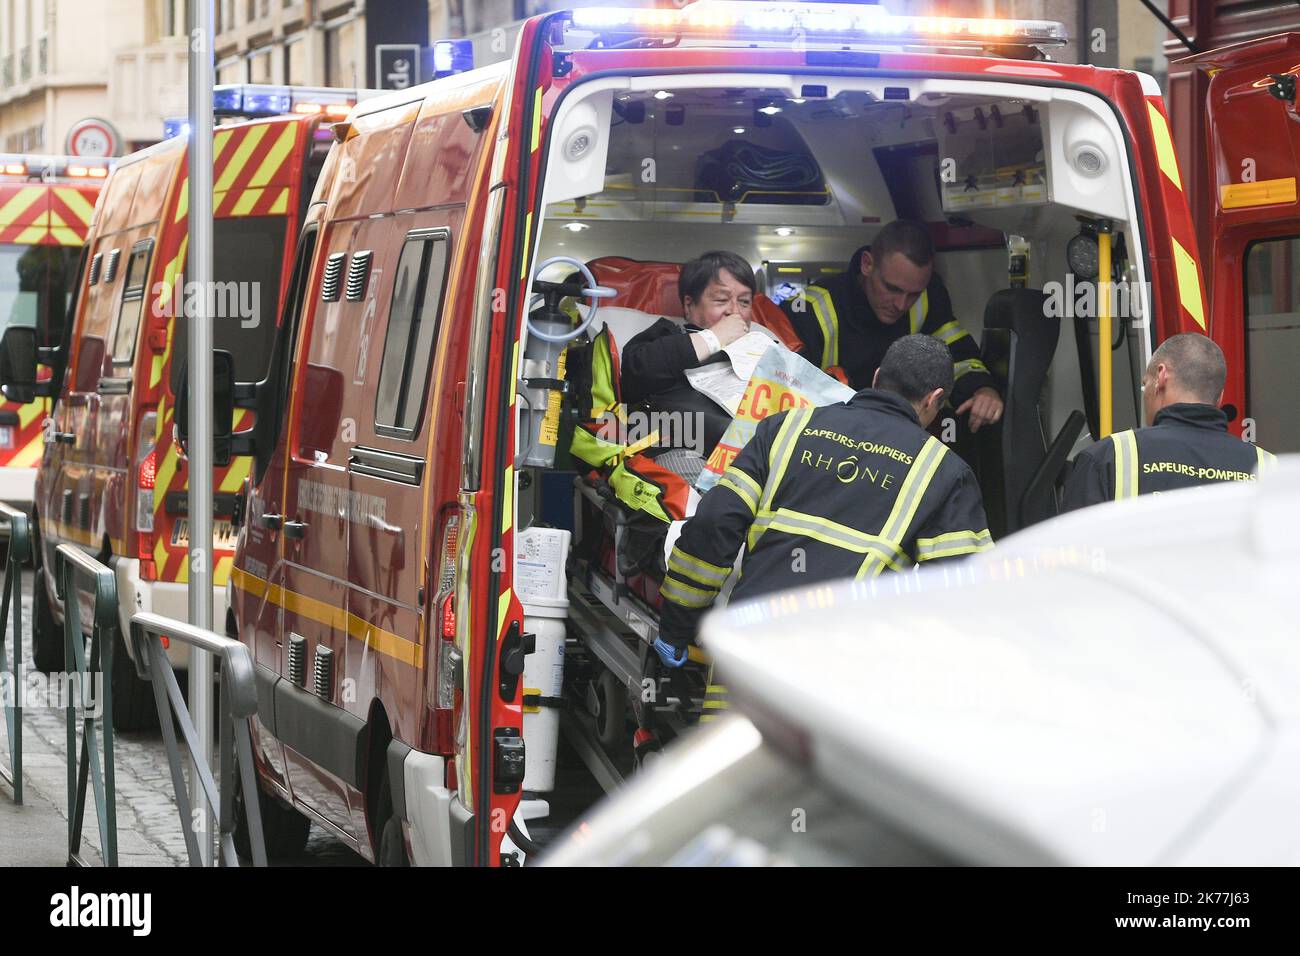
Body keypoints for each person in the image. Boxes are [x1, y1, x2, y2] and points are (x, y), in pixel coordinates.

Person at [654, 334, 993, 664]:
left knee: (728, 724)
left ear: (877, 378)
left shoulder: (785, 427)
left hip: (749, 653)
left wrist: (676, 626)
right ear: (935, 399)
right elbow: (961, 597)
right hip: (841, 679)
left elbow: (715, 522)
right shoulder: (946, 472)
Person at [782, 219, 1004, 432]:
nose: (901, 305)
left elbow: (956, 356)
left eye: (913, 294)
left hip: (901, 439)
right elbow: (785, 395)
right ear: (867, 264)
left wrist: (982, 388)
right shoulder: (810, 310)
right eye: (892, 289)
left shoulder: (929, 297)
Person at [1062, 333, 1276, 510]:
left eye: (1145, 384)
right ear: (1219, 397)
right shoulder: (1270, 470)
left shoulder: (1106, 458)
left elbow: (1074, 554)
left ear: (1161, 376)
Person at [619, 251, 757, 455]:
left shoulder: (767, 351)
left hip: (757, 463)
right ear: (689, 304)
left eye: (744, 302)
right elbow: (636, 373)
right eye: (721, 300)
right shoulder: (663, 338)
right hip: (685, 456)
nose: (735, 312)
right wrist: (714, 338)